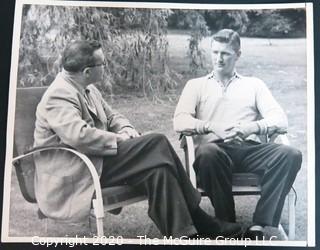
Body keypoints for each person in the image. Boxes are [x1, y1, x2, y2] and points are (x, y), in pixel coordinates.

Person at [33, 40, 242, 238]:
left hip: (98, 160)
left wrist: (126, 128)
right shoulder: (59, 95)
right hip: (78, 169)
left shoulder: (88, 88)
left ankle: (185, 235)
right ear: (87, 71)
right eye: (102, 64)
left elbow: (113, 116)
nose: (105, 67)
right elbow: (79, 136)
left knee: (159, 170)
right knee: (156, 142)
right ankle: (204, 221)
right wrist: (120, 138)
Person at [173, 29, 302, 239]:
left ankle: (259, 225)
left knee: (291, 154)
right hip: (215, 150)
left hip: (250, 150)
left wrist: (251, 128)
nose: (218, 58)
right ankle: (227, 225)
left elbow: (281, 119)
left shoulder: (253, 84)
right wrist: (211, 126)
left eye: (225, 53)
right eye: (215, 52)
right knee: (207, 152)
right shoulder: (196, 85)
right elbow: (179, 121)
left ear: (238, 55)